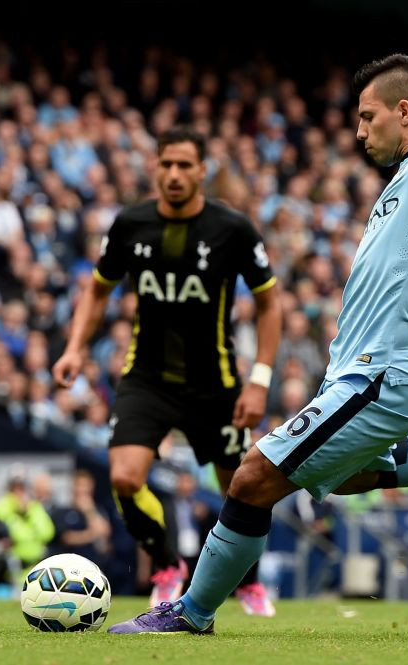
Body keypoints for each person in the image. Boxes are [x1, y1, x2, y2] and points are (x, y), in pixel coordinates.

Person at [109, 54, 408, 634]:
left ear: (405, 111)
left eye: (367, 117)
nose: (358, 131)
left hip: (381, 374)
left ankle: (191, 615)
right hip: (373, 376)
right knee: (349, 476)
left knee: (251, 478)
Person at [52, 126, 282, 614]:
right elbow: (97, 289)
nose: (174, 174)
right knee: (124, 479)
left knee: (242, 486)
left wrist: (259, 379)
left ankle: (249, 581)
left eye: (184, 165)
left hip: (215, 383)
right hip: (146, 378)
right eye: (166, 164)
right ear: (155, 168)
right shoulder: (130, 223)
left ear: (202, 171)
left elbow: (268, 303)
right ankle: (164, 564)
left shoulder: (233, 229)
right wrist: (75, 348)